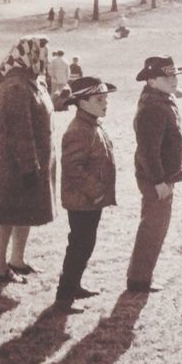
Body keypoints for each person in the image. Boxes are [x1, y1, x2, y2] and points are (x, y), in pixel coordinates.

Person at [0, 38, 56, 285]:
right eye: (43, 56)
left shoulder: (31, 81)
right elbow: (20, 131)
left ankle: (16, 260)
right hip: (18, 165)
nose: (46, 61)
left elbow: (39, 113)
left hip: (31, 163)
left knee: (23, 213)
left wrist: (59, 101)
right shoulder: (15, 86)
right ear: (30, 55)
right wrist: (29, 166)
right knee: (8, 214)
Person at [55, 76, 118, 313]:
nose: (105, 103)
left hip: (90, 200)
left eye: (106, 99)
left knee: (85, 244)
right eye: (99, 99)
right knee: (80, 245)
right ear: (82, 102)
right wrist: (95, 191)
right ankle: (64, 297)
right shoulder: (80, 130)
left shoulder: (91, 124)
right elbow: (73, 168)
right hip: (83, 200)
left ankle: (74, 286)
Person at [126, 56, 182, 294]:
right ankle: (139, 280)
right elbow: (148, 150)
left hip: (162, 177)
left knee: (156, 226)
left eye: (175, 76)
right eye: (168, 77)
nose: (174, 80)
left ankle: (141, 277)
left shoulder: (161, 100)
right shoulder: (153, 106)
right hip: (156, 179)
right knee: (153, 226)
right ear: (151, 80)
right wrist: (158, 180)